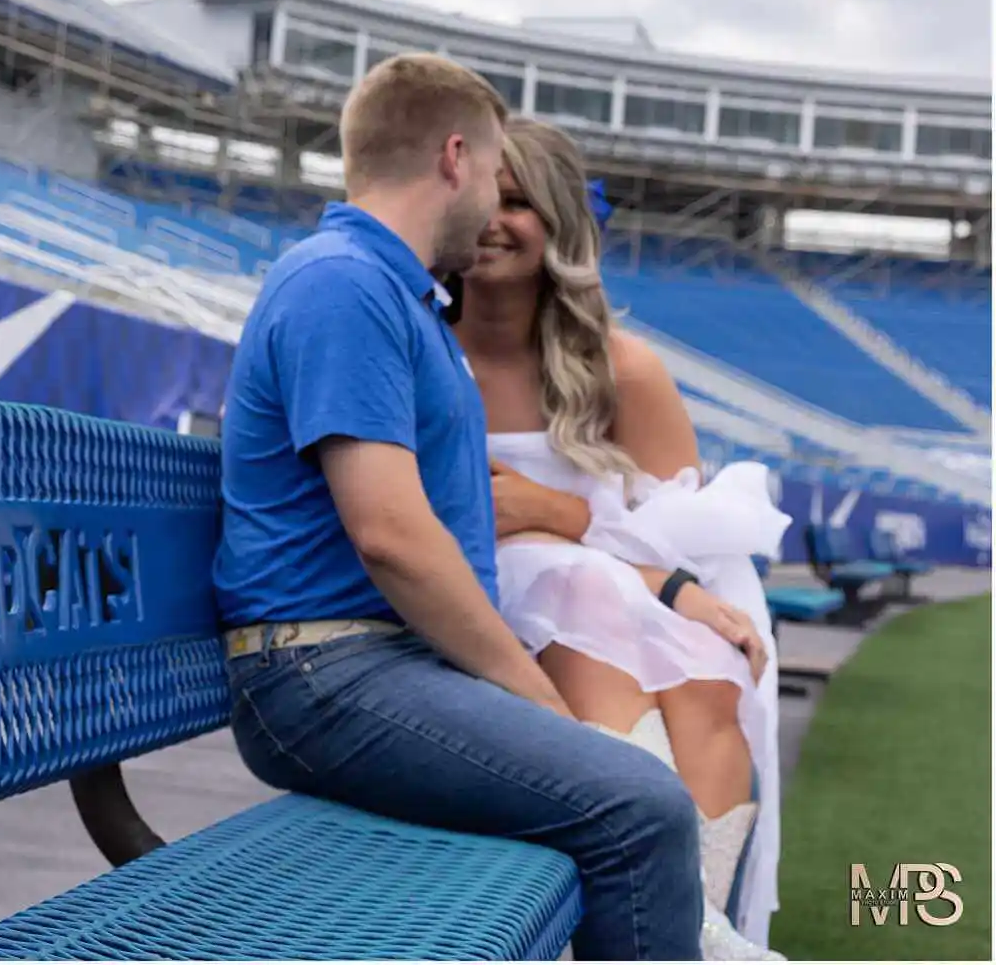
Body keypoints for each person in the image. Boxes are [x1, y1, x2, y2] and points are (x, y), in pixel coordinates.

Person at [213, 52, 705, 961]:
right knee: (641, 809)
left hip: (369, 667)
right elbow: (391, 536)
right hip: (326, 676)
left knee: (622, 793)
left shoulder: (389, 292)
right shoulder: (343, 282)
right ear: (454, 157)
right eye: (492, 172)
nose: (489, 206)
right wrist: (534, 699)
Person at [442, 116, 789, 958]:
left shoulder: (623, 371)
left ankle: (690, 915)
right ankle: (670, 923)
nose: (495, 219)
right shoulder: (422, 351)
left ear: (560, 224)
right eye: (486, 194)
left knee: (712, 671)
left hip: (635, 586)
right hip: (475, 596)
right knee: (582, 597)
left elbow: (676, 549)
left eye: (520, 202)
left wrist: (557, 515)